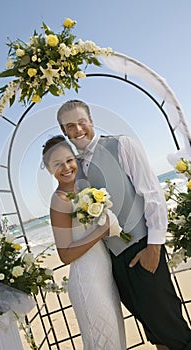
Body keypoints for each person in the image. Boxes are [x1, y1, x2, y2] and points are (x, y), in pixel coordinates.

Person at [56, 99, 191, 350]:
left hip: (143, 250)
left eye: (82, 122)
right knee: (155, 332)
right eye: (70, 126)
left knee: (174, 331)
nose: (78, 129)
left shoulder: (122, 145)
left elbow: (153, 195)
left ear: (91, 121)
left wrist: (153, 250)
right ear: (65, 132)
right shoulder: (74, 169)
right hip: (115, 263)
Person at [42, 135, 126, 349]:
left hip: (104, 277)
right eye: (57, 164)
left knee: (116, 339)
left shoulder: (83, 190)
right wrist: (102, 230)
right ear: (49, 169)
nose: (66, 167)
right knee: (104, 343)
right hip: (87, 281)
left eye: (69, 160)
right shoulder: (59, 201)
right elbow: (65, 254)